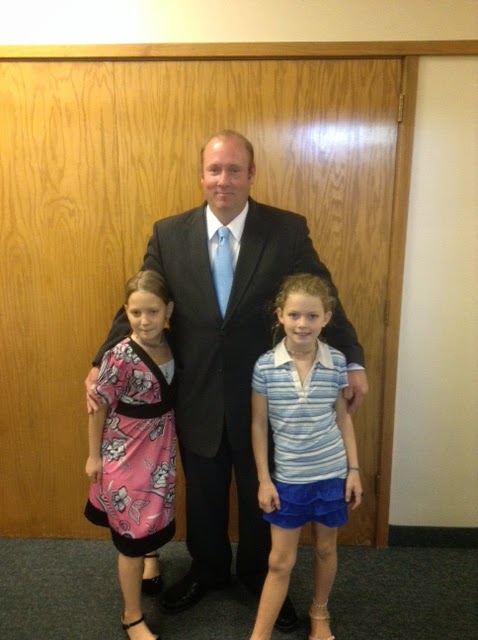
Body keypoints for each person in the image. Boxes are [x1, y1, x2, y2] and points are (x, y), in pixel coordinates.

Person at [85, 130, 368, 632]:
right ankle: (209, 568)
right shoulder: (169, 234)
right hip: (196, 392)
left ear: (251, 174)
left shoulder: (286, 231)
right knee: (205, 492)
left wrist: (353, 361)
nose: (224, 180)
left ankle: (260, 575)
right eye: (214, 170)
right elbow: (143, 299)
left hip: (265, 395)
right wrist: (102, 357)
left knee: (263, 491)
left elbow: (324, 295)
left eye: (234, 169)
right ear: (202, 176)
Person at [249, 273, 363, 640]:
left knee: (326, 549)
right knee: (279, 562)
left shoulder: (337, 362)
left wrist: (354, 469)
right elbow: (258, 426)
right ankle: (259, 635)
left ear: (326, 318)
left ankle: (319, 613)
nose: (302, 324)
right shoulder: (265, 366)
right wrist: (264, 479)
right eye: (295, 315)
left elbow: (343, 418)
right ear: (280, 315)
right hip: (289, 480)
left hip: (331, 474)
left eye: (312, 316)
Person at [84, 270, 176, 640]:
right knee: (130, 534)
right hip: (125, 453)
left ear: (168, 310)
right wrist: (94, 457)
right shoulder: (119, 356)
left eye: (153, 311)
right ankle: (132, 616)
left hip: (160, 449)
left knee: (150, 519)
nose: (145, 320)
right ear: (126, 311)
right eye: (136, 312)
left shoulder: (172, 343)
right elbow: (98, 408)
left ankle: (151, 557)